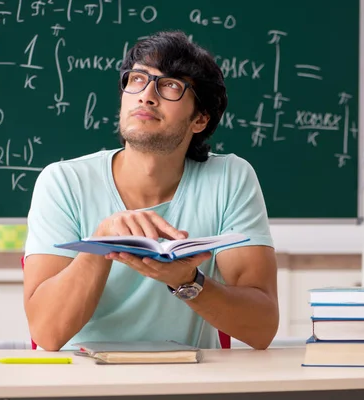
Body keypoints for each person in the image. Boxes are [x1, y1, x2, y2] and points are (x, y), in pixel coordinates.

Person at [23, 30, 278, 351]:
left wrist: (187, 281)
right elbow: (48, 334)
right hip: (83, 381)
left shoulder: (229, 177)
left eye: (170, 85)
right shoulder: (63, 181)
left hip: (188, 380)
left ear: (200, 119)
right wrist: (101, 243)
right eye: (137, 79)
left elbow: (262, 328)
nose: (146, 95)